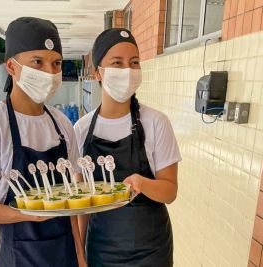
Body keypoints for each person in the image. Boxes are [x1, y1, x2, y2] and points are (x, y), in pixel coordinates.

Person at [0, 17, 86, 267]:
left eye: (56, 63)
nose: (49, 72)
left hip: (65, 257)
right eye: (37, 62)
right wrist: (27, 212)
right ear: (11, 66)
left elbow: (70, 202)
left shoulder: (61, 125)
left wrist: (81, 258)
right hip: (18, 259)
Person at [74, 28, 182, 267]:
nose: (127, 71)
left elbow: (170, 191)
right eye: (117, 63)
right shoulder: (81, 129)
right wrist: (80, 255)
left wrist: (142, 184)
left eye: (134, 63)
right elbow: (81, 205)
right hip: (101, 249)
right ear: (97, 73)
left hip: (152, 250)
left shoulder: (156, 122)